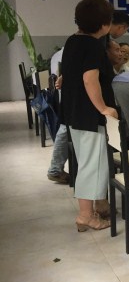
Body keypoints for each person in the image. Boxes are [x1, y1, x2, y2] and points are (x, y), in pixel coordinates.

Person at [61, 0, 117, 231]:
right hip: (88, 114)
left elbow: (68, 73)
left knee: (87, 161)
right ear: (104, 24)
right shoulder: (93, 45)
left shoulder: (73, 40)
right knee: (91, 164)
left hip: (74, 110)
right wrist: (103, 108)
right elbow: (89, 79)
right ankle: (86, 215)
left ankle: (100, 204)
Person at [47, 47, 69, 184]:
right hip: (66, 99)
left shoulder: (58, 54)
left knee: (64, 128)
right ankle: (55, 169)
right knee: (65, 129)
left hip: (59, 98)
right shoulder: (69, 55)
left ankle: (55, 169)